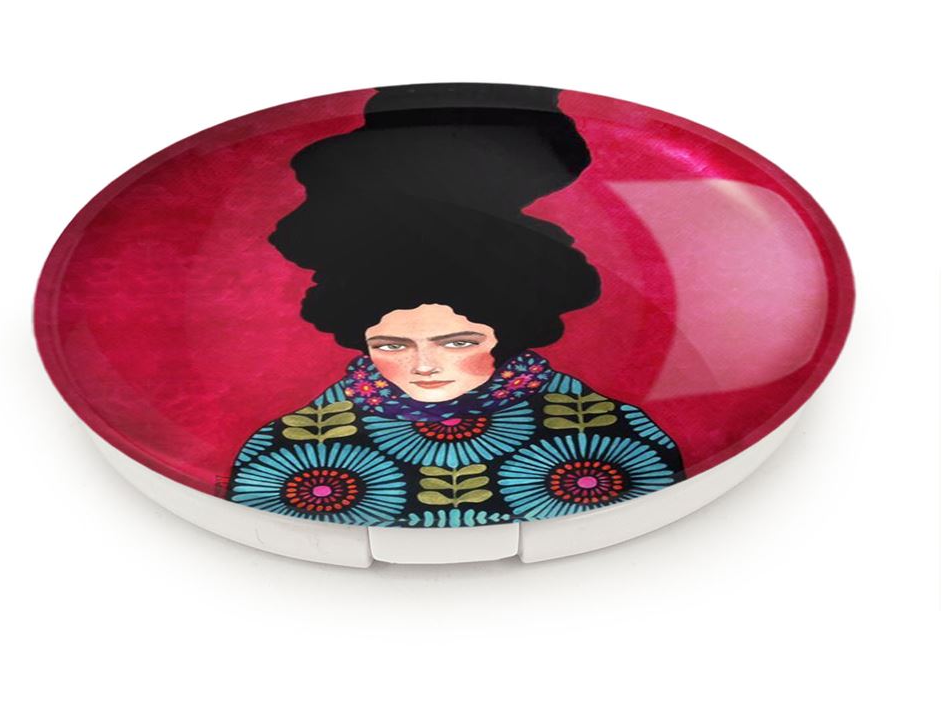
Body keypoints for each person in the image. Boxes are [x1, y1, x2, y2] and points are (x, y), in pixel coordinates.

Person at [227, 84, 684, 528]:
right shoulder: (290, 446)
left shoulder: (610, 434)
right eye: (391, 346)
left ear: (510, 333)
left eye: (458, 342)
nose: (424, 366)